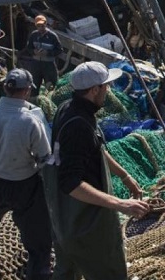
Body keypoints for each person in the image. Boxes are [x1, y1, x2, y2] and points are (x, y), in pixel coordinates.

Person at [44, 61, 149, 280]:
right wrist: (122, 204)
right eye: (106, 86)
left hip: (63, 220)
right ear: (94, 90)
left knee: (66, 272)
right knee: (110, 272)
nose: (108, 91)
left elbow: (96, 148)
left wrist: (124, 175)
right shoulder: (78, 126)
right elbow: (71, 183)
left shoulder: (68, 108)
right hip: (83, 220)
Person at [0, 69, 53, 280]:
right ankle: (39, 274)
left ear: (5, 87)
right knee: (38, 238)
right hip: (27, 185)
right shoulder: (31, 120)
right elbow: (45, 160)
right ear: (28, 91)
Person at [20, 15, 62, 96]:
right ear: (36, 25)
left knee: (51, 86)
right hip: (36, 64)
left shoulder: (52, 36)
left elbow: (59, 50)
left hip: (49, 65)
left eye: (42, 25)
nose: (41, 28)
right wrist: (34, 51)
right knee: (34, 86)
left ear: (46, 24)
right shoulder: (33, 35)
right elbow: (29, 48)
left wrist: (48, 53)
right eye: (38, 26)